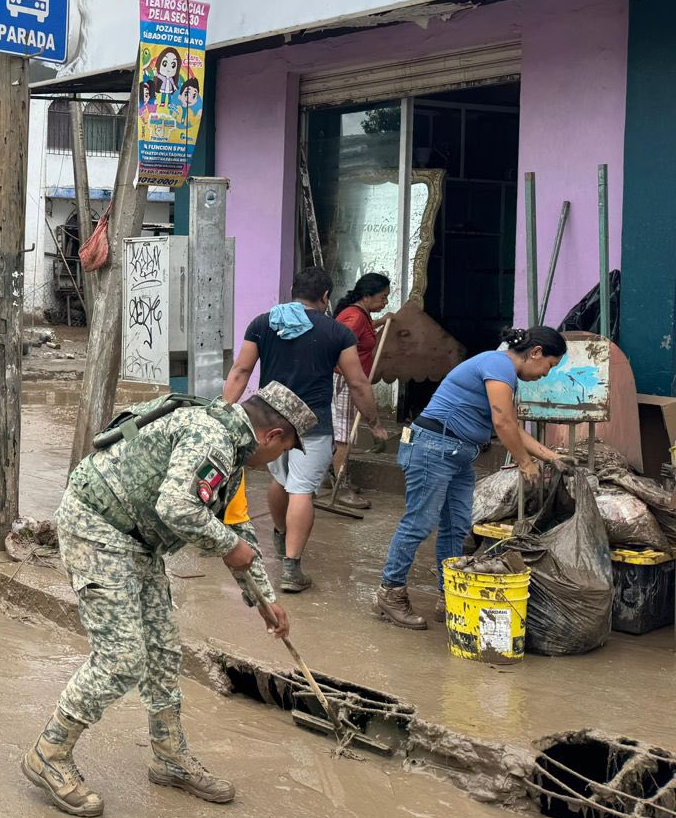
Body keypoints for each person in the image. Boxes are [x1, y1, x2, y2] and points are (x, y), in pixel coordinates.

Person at [21, 384, 313, 817]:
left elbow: (236, 527)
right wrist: (229, 546)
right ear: (273, 437)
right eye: (286, 449)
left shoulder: (229, 446)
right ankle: (49, 752)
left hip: (137, 540)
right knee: (121, 658)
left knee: (161, 652)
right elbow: (178, 506)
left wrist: (264, 598)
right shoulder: (211, 437)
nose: (278, 459)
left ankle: (169, 755)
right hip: (98, 526)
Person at [374, 326, 567, 629]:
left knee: (457, 528)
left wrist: (552, 457)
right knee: (418, 523)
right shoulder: (498, 364)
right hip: (433, 447)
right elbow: (502, 421)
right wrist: (525, 463)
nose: (546, 374)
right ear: (536, 352)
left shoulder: (502, 371)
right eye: (549, 366)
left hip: (456, 453)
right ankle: (390, 591)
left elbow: (512, 427)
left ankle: (449, 596)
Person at [221, 266, 389, 594]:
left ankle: (282, 534)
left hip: (267, 422)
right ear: (326, 297)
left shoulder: (263, 322)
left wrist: (224, 411)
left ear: (293, 291)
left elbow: (241, 369)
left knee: (280, 481)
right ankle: (291, 567)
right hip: (312, 424)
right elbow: (357, 382)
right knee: (301, 490)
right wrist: (374, 422)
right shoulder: (337, 332)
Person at [325, 273, 393, 510]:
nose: (385, 302)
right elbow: (338, 342)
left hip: (347, 378)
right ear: (367, 296)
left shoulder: (360, 315)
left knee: (341, 434)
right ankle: (341, 488)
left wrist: (381, 320)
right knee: (344, 436)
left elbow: (361, 332)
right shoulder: (354, 317)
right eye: (382, 297)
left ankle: (333, 477)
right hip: (344, 380)